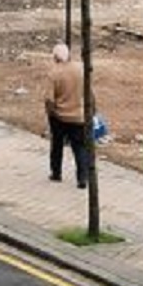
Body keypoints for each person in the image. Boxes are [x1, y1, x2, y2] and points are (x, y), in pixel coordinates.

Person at [45, 42, 92, 187]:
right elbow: (89, 93)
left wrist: (51, 113)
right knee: (80, 147)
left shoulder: (53, 74)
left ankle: (56, 173)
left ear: (55, 58)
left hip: (59, 116)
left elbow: (49, 99)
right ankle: (82, 178)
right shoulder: (81, 70)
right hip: (78, 116)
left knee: (57, 145)